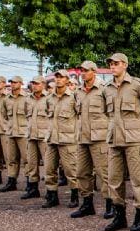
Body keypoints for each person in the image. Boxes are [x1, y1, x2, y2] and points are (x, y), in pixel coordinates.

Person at [103, 53, 140, 231]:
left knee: (137, 179)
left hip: (134, 139)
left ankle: (139, 217)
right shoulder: (106, 88)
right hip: (114, 138)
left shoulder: (137, 85)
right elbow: (106, 112)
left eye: (116, 63)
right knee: (115, 179)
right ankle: (120, 216)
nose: (112, 66)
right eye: (110, 63)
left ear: (125, 65)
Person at [73, 61, 111, 218]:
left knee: (105, 173)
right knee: (82, 172)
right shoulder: (79, 91)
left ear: (93, 72)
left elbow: (111, 112)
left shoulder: (104, 90)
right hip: (83, 137)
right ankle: (87, 204)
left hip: (99, 138)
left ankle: (111, 204)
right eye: (81, 70)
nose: (82, 73)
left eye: (85, 70)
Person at [41, 71, 79, 208]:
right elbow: (47, 114)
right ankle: (52, 196)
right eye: (56, 77)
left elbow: (79, 116)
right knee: (49, 169)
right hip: (52, 139)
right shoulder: (49, 98)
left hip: (67, 139)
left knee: (71, 170)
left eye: (61, 77)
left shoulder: (73, 97)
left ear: (67, 80)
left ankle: (75, 196)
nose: (58, 80)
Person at [0, 76, 29, 193]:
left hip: (23, 133)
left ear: (21, 83)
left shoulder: (27, 98)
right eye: (11, 82)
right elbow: (5, 115)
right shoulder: (7, 99)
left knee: (27, 159)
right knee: (11, 158)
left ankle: (30, 182)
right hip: (11, 132)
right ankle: (12, 181)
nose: (12, 84)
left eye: (15, 82)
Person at [23, 76, 48, 199]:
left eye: (37, 83)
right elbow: (26, 115)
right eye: (33, 83)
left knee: (48, 165)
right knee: (31, 164)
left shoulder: (49, 98)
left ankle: (50, 192)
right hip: (31, 135)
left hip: (44, 136)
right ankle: (33, 189)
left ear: (43, 84)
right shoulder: (28, 99)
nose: (34, 86)